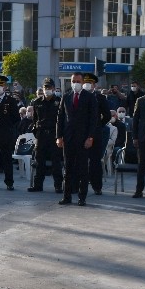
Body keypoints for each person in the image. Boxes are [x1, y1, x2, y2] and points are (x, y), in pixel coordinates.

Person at [56, 72, 99, 206]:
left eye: (78, 81)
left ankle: (82, 197)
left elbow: (93, 119)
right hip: (68, 138)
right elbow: (60, 117)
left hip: (83, 139)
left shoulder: (90, 97)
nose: (76, 83)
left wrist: (90, 137)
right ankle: (66, 196)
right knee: (68, 169)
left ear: (82, 81)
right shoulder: (66, 96)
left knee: (82, 169)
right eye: (74, 81)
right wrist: (59, 137)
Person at [28, 78, 63, 192]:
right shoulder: (37, 102)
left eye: (49, 87)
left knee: (56, 161)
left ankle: (58, 185)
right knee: (39, 161)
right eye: (45, 88)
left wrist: (60, 136)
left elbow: (62, 120)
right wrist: (37, 133)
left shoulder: (59, 101)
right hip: (41, 134)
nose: (47, 90)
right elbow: (35, 119)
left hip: (54, 134)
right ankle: (38, 185)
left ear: (53, 88)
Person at [83, 73, 112, 196]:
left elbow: (107, 115)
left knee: (95, 161)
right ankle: (78, 184)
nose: (87, 85)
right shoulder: (79, 96)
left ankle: (97, 187)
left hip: (95, 134)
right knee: (80, 161)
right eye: (85, 82)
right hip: (81, 133)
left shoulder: (100, 98)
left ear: (95, 85)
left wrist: (98, 125)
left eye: (90, 83)